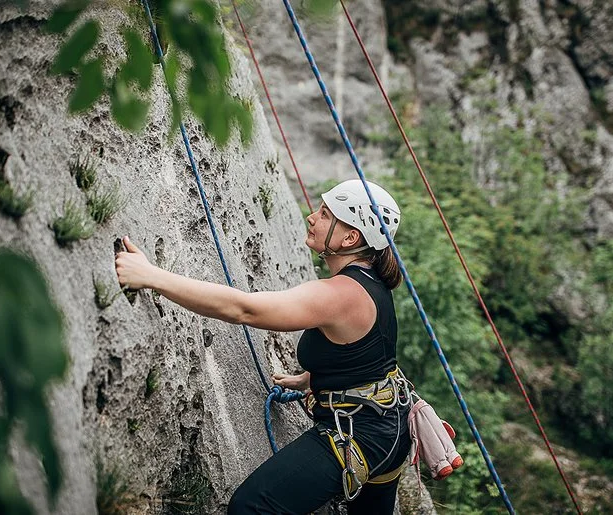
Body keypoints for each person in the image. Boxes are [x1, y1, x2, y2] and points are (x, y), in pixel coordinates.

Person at [115, 180, 411, 514]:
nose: (312, 217)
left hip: (361, 436)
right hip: (389, 428)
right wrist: (315, 377)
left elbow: (245, 309)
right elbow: (369, 348)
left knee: (250, 506)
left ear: (350, 238)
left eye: (326, 214)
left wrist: (152, 277)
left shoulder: (341, 293)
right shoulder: (370, 281)